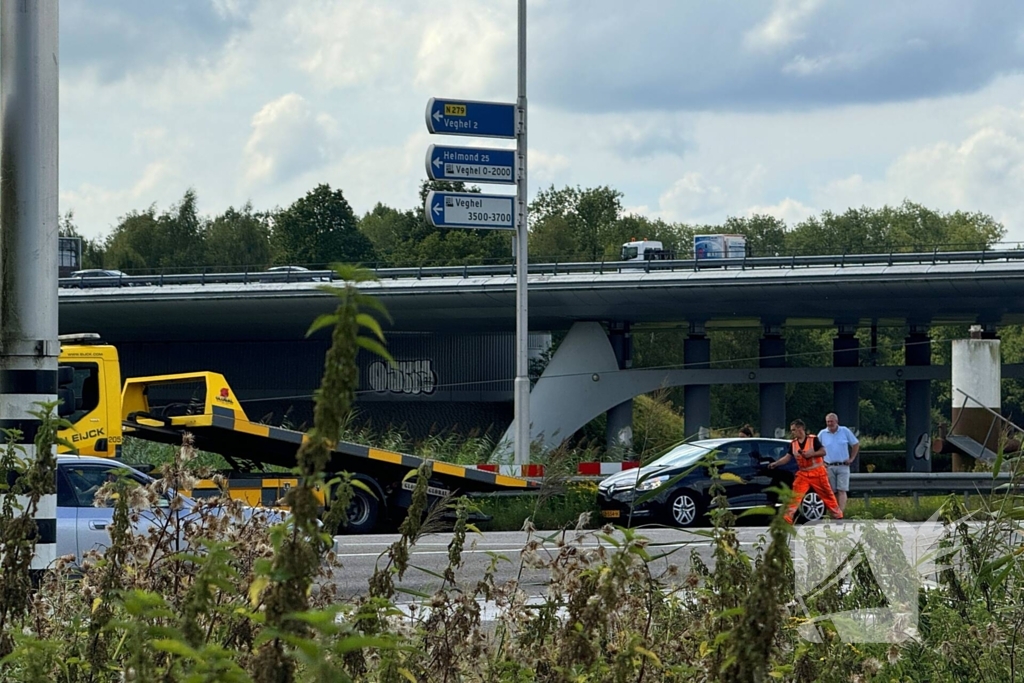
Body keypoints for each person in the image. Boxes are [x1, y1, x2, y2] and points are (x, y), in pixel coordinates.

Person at [768, 419, 843, 524]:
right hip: (803, 474)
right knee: (795, 496)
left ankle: (838, 516)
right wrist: (776, 464)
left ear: (800, 429)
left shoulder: (813, 440)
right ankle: (788, 518)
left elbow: (823, 452)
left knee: (827, 495)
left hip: (817, 473)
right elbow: (787, 457)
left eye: (794, 430)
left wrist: (811, 454)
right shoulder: (794, 444)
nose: (792, 432)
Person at [818, 412, 859, 513]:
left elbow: (855, 444)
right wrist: (821, 462)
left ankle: (840, 512)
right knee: (832, 491)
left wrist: (851, 458)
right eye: (828, 422)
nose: (829, 424)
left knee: (842, 490)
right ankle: (834, 511)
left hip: (843, 465)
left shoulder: (844, 431)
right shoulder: (822, 434)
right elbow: (815, 449)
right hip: (829, 466)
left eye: (831, 421)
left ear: (836, 421)